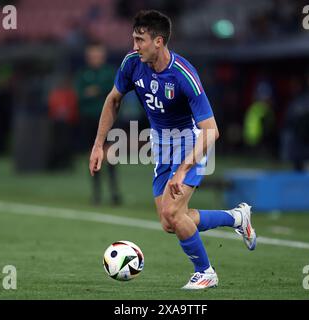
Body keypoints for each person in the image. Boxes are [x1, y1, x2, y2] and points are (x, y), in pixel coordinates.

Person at [89, 10, 257, 289]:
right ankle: (237, 217)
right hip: (161, 146)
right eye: (133, 39)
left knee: (173, 213)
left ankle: (206, 273)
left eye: (140, 40)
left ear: (159, 41)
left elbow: (211, 131)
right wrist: (98, 145)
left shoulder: (183, 75)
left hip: (190, 143)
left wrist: (182, 170)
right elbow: (113, 100)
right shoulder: (132, 63)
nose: (134, 46)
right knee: (170, 222)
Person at [75, 41, 122, 205]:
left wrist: (95, 91)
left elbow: (114, 93)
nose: (95, 58)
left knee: (110, 156)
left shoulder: (109, 73)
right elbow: (80, 95)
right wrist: (97, 92)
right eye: (92, 55)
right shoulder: (83, 74)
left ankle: (115, 192)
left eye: (98, 55)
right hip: (88, 120)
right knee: (93, 155)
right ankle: (96, 194)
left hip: (108, 120)